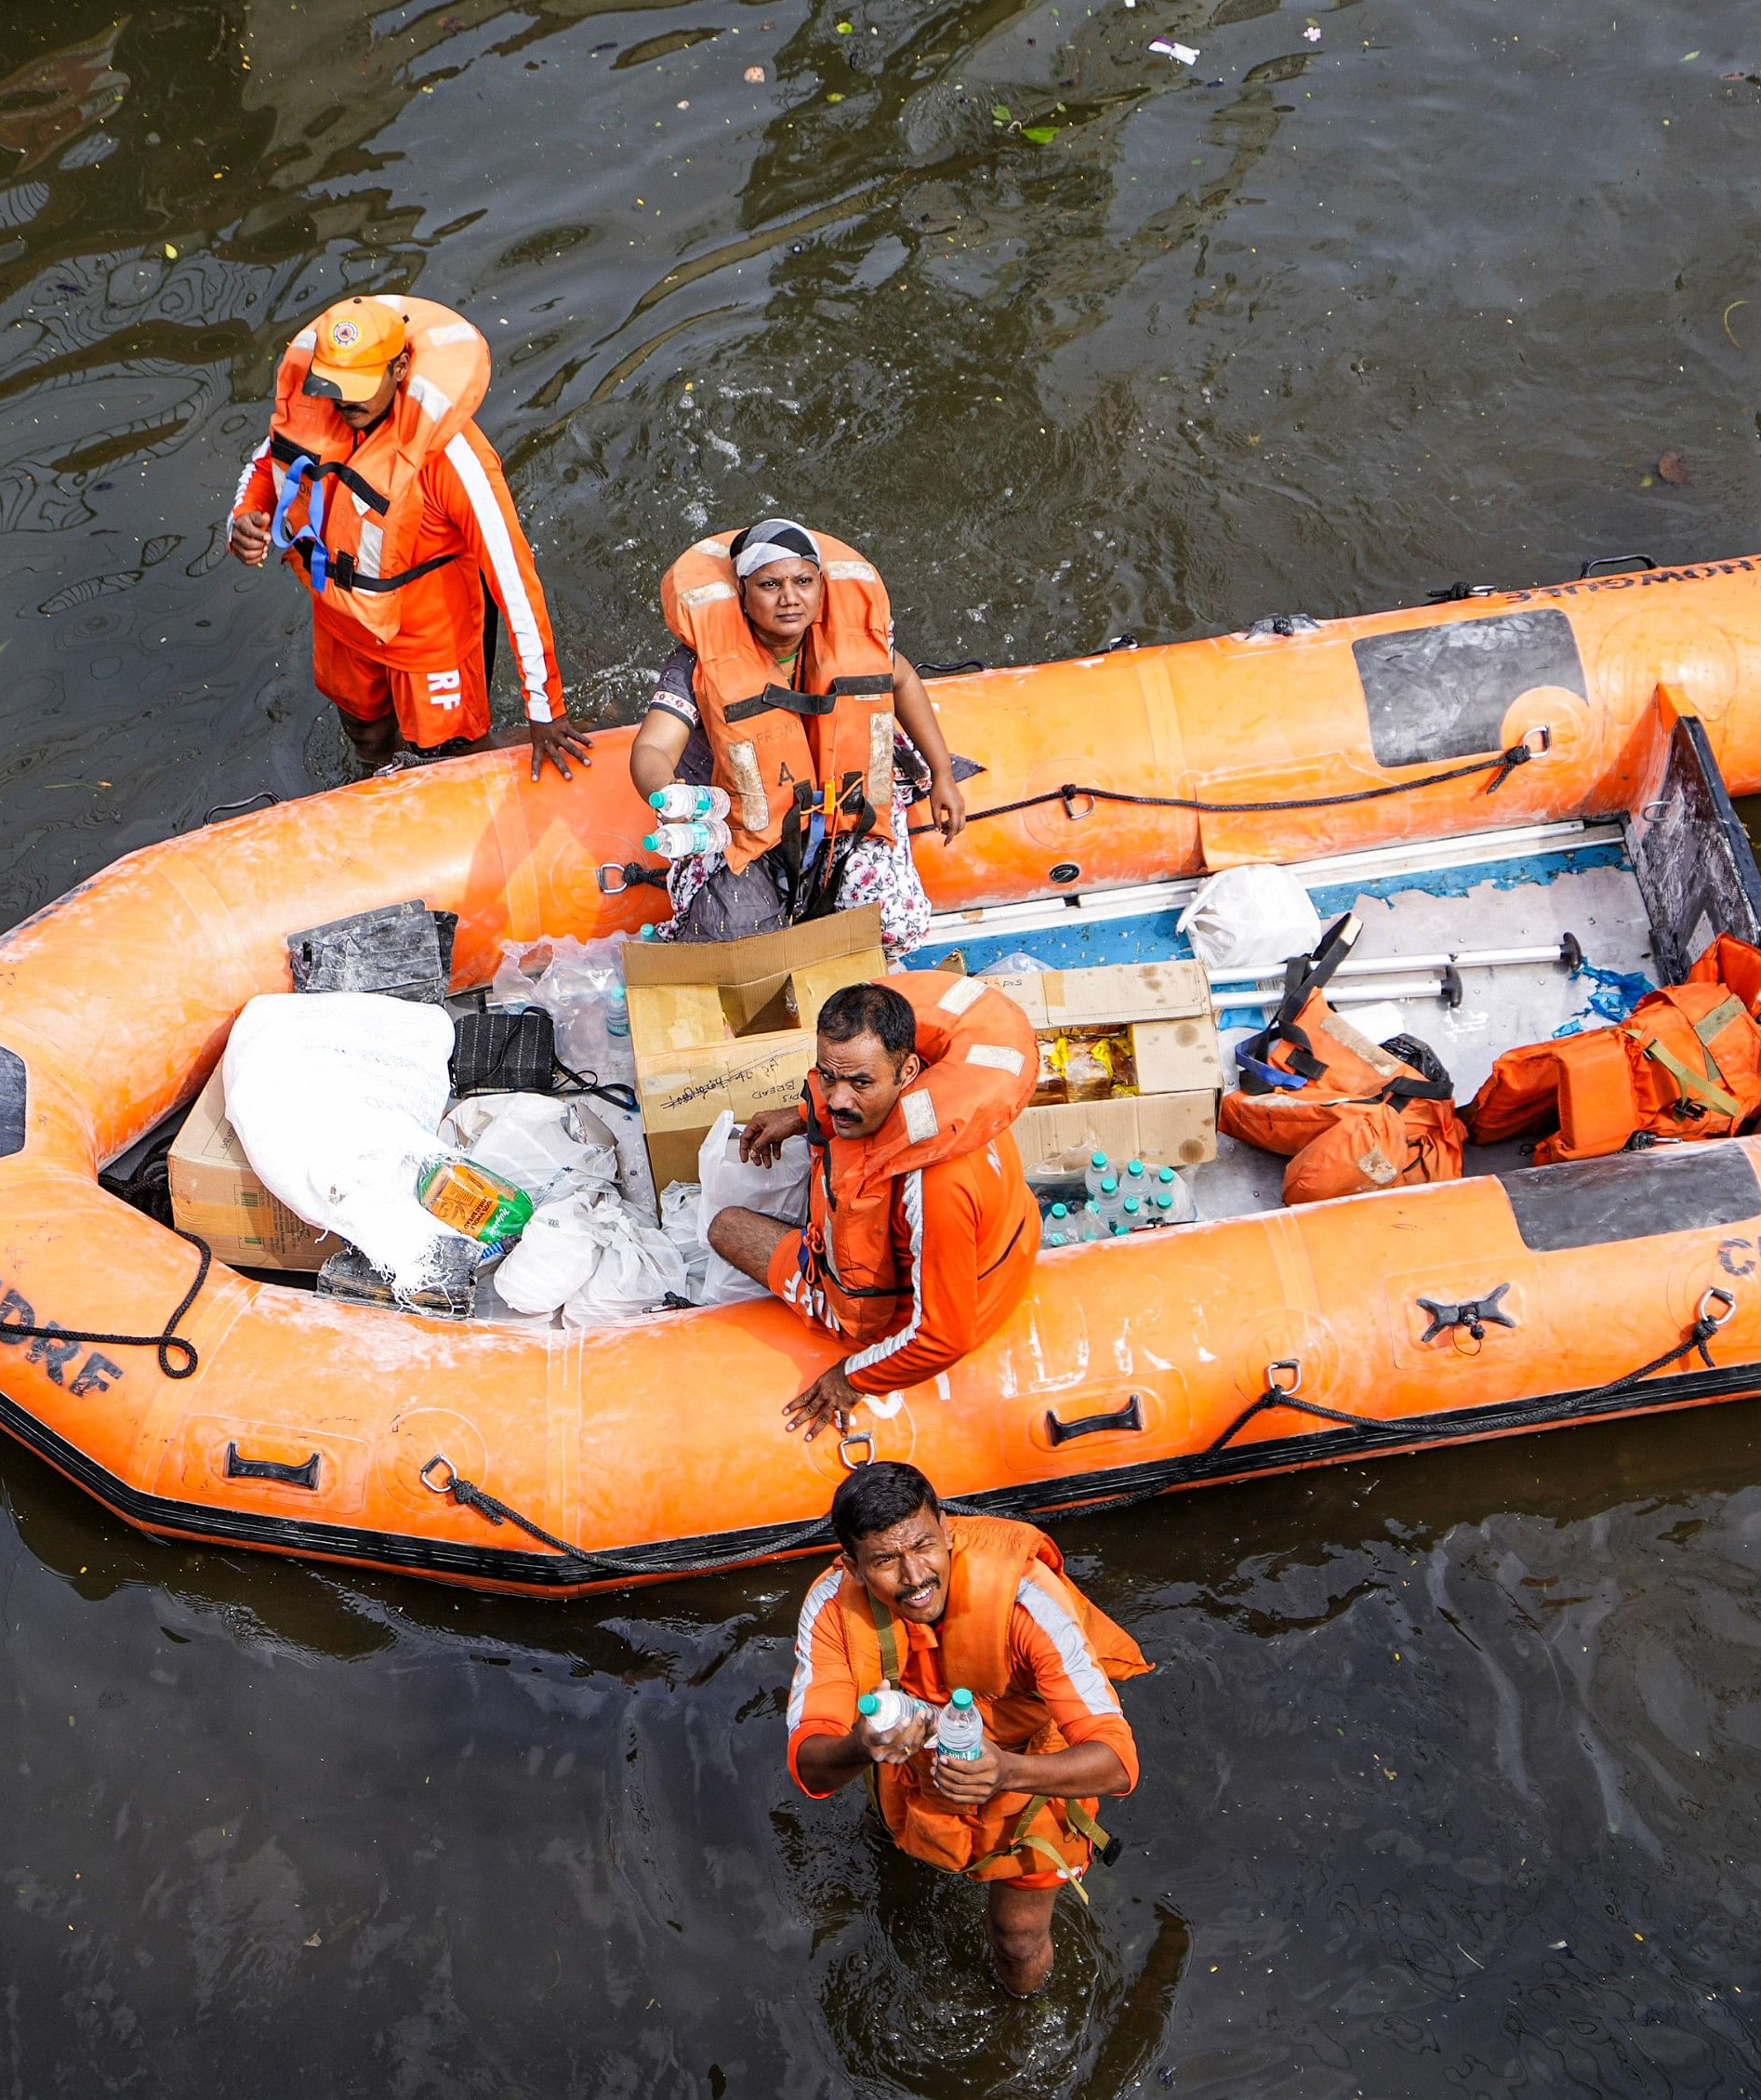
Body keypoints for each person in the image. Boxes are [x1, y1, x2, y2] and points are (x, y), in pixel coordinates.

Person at [784, 1461, 1147, 1997]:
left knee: (1017, 1938)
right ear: (855, 1569)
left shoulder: (1026, 1601)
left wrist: (1008, 1772)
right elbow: (809, 1762)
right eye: (885, 1560)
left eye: (925, 1547)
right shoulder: (831, 1606)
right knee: (882, 1833)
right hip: (910, 1763)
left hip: (1028, 1767)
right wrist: (862, 1742)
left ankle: (1020, 2014)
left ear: (948, 1531)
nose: (915, 1578)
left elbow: (1119, 1764)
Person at [225, 294, 585, 778]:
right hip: (344, 624)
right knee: (366, 740)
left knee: (448, 760)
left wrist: (546, 708)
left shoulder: (454, 459)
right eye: (334, 385)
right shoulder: (318, 413)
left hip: (429, 639)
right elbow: (269, 464)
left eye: (358, 386)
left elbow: (514, 580)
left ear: (400, 368)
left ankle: (583, 732)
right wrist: (245, 519)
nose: (344, 400)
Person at [707, 977, 1036, 1440]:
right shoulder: (955, 1107)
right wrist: (802, 1116)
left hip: (907, 1313)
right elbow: (841, 1100)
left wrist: (849, 1379)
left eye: (861, 1082)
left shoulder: (936, 1186)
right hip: (993, 1254)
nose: (838, 1100)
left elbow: (942, 1336)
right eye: (828, 1076)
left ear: (907, 1073)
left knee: (726, 1228)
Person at [634, 518, 967, 954]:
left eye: (803, 581)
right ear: (743, 594)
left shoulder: (850, 639)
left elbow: (902, 681)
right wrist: (666, 791)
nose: (790, 598)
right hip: (745, 826)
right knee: (735, 936)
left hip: (842, 809)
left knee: (895, 922)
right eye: (770, 585)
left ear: (821, 586)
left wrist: (941, 771)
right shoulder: (700, 661)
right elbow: (653, 746)